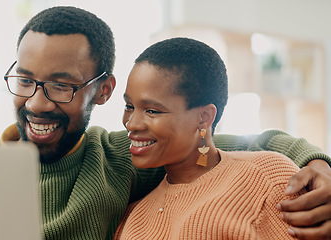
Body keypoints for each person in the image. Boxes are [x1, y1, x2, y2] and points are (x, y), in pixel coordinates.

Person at [0, 6, 331, 240]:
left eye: (61, 86)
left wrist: (317, 163)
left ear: (101, 91)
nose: (37, 103)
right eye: (25, 81)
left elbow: (231, 145)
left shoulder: (117, 158)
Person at [114, 37, 305, 239]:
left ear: (204, 117)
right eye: (129, 107)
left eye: (152, 110)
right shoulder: (132, 218)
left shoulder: (267, 179)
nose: (132, 123)